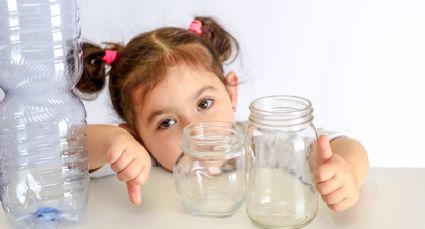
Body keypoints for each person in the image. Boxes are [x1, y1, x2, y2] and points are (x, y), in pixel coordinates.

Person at [77, 16, 369, 211]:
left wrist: (347, 172)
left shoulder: (258, 142)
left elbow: (345, 146)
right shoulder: (139, 160)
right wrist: (112, 142)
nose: (196, 129)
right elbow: (74, 149)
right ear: (136, 134)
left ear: (231, 93)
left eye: (204, 104)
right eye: (166, 122)